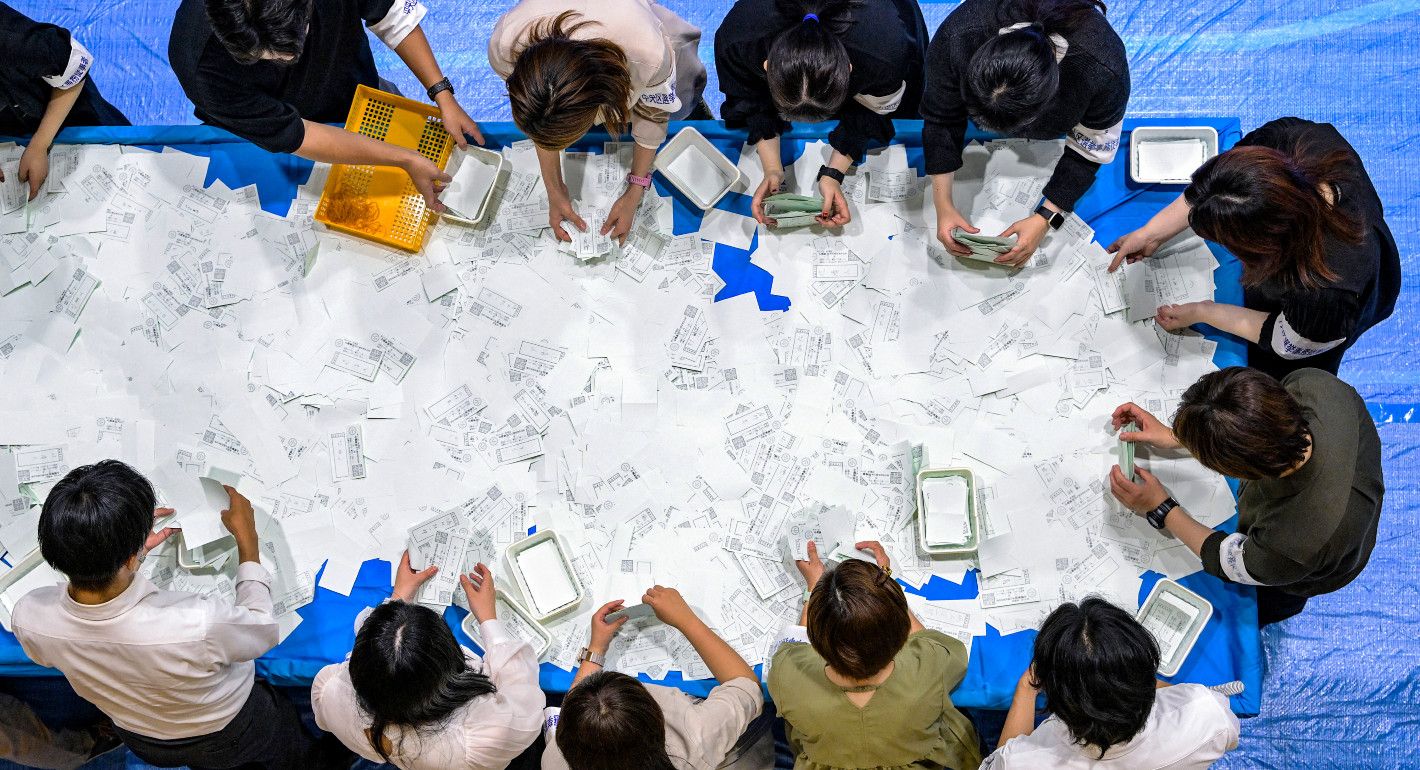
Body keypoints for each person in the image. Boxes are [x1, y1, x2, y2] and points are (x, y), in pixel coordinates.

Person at [10, 460, 344, 769]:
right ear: (129, 557)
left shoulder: (29, 616)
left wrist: (124, 553)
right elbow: (261, 628)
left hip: (138, 735)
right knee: (288, 751)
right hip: (227, 730)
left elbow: (54, 648)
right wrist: (248, 544)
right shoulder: (195, 623)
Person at [1108, 117, 1401, 381]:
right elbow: (1217, 188)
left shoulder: (1325, 294)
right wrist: (1151, 235)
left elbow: (1287, 339)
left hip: (1328, 313)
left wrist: (1205, 312)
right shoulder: (1292, 138)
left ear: (1263, 246)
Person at [1108, 367, 1384, 626]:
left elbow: (1231, 560)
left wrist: (1161, 507)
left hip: (1316, 563)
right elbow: (1260, 429)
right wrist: (1183, 434)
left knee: (1275, 599)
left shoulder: (1290, 544)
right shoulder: (1314, 385)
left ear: (1238, 472)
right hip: (1338, 504)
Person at [169, 0, 484, 210]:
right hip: (261, 134)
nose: (288, 61)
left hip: (355, 88)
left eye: (294, 44)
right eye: (265, 58)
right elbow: (296, 134)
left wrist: (442, 92)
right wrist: (403, 159)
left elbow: (389, 14)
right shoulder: (198, 62)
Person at [921, 0, 1128, 266]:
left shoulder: (1103, 66)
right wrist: (943, 204)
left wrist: (1046, 217)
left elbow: (1088, 150)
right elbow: (941, 118)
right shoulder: (958, 36)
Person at [489, 0, 706, 244]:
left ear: (602, 99)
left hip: (632, 21)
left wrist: (635, 190)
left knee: (682, 101)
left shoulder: (647, 53)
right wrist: (554, 187)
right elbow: (541, 117)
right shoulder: (505, 47)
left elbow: (653, 113)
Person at [311, 555, 544, 769]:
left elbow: (379, 662)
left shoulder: (331, 695)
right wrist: (489, 620)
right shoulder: (481, 736)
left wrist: (398, 599)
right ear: (450, 664)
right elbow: (523, 698)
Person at [717, 0, 929, 230]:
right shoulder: (738, 40)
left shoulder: (885, 50)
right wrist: (772, 169)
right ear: (767, 67)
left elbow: (874, 109)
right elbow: (750, 99)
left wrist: (834, 172)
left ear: (849, 69)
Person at [769, 541, 980, 770]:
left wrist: (814, 587)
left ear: (816, 641)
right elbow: (941, 645)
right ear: (901, 635)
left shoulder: (788, 674)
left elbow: (797, 639)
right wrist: (885, 585)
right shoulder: (927, 665)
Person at [983, 597, 1239, 768]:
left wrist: (1025, 692)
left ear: (1056, 702)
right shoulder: (1207, 714)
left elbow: (997, 761)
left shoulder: (1022, 762)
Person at [543, 585, 771, 770]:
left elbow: (582, 714)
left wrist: (595, 650)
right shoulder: (695, 739)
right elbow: (746, 687)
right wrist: (686, 619)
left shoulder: (555, 760)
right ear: (659, 722)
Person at [0, 3, 130, 199]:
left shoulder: (15, 42)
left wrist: (40, 144)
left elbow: (75, 61)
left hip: (69, 115)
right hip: (10, 128)